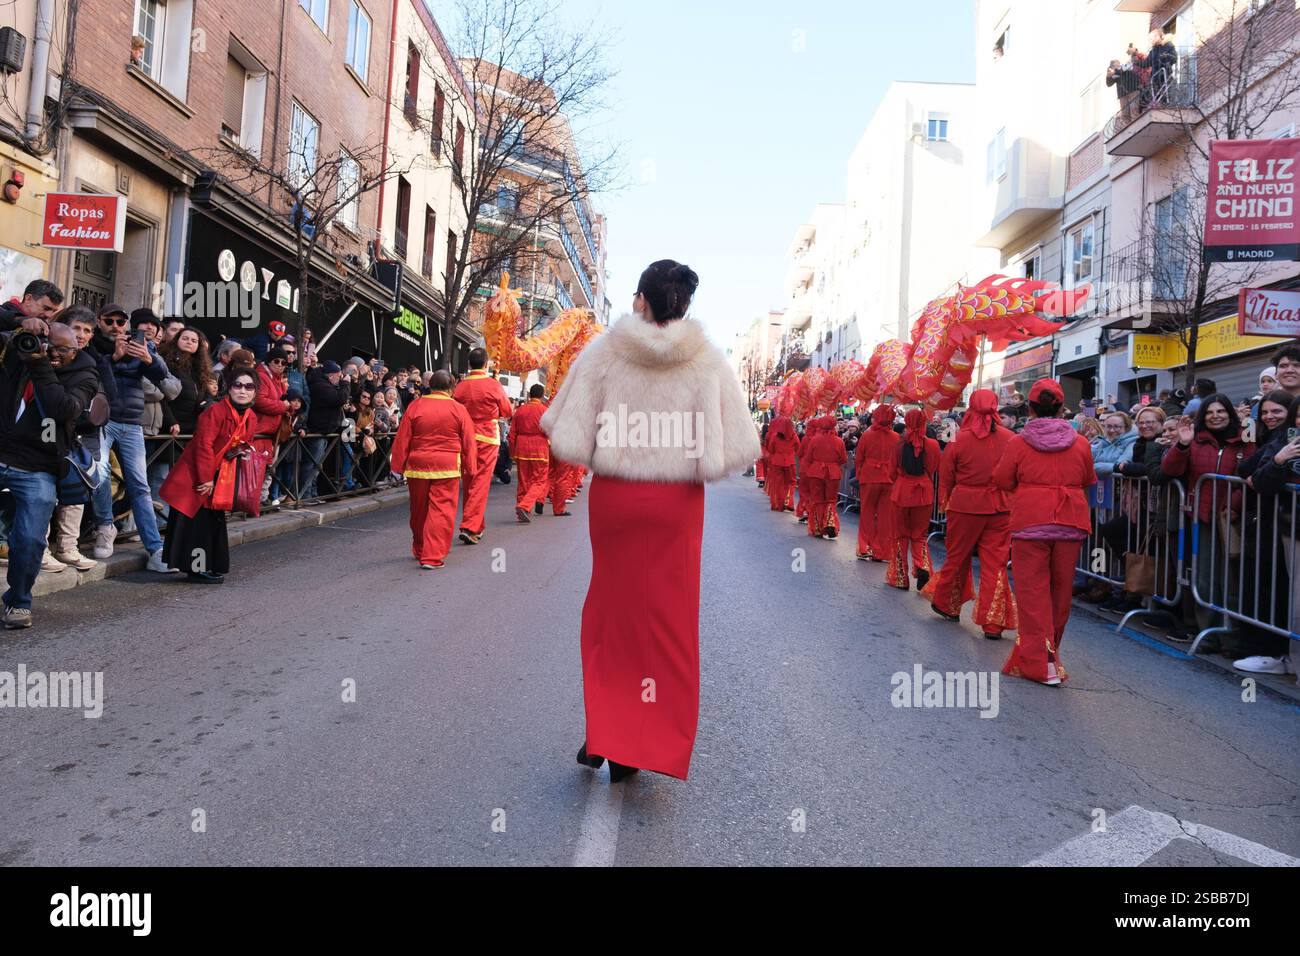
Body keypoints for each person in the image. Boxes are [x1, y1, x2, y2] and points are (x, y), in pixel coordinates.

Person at [541, 259, 759, 783]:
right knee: (668, 624)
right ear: (684, 306)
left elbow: (565, 433)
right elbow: (739, 446)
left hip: (617, 498)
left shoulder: (605, 352)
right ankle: (641, 745)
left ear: (640, 299)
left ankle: (605, 734)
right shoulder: (706, 361)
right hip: (675, 505)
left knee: (610, 617)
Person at [995, 379, 1097, 686]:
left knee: (1032, 594)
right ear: (1063, 408)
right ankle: (1050, 657)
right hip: (1070, 521)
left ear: (1030, 408)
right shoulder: (1080, 442)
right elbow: (1089, 478)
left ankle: (1041, 663)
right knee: (1060, 593)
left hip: (1031, 521)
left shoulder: (1018, 442)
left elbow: (1001, 479)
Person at [0, 321, 99, 628]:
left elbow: (63, 408)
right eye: (47, 345)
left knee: (29, 540)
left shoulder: (85, 374)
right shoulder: (19, 354)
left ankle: (17, 601)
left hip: (38, 467)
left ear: (77, 348)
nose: (53, 353)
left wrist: (41, 366)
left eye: (62, 349)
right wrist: (18, 325)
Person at [1160, 393, 1254, 653]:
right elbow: (1170, 470)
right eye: (1210, 412)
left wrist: (1233, 506)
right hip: (1201, 519)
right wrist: (1181, 444)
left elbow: (1248, 475)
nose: (1215, 416)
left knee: (1231, 582)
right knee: (1204, 580)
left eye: (1221, 411)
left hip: (1232, 519)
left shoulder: (1245, 439)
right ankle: (1208, 635)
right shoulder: (1195, 440)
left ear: (1229, 414)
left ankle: (1231, 638)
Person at [87, 305, 177, 572]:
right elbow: (94, 379)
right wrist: (113, 358)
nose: (115, 326)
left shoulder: (144, 348)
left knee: (140, 485)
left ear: (127, 325)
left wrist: (150, 359)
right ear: (99, 323)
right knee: (99, 474)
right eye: (109, 321)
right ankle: (105, 525)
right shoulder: (92, 345)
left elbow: (169, 387)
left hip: (132, 423)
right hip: (103, 420)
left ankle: (155, 550)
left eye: (120, 322)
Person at [925, 390, 1017, 639]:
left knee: (957, 556)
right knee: (995, 564)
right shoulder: (1011, 438)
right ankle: (993, 622)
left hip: (965, 504)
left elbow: (946, 475)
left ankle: (947, 604)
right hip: (1000, 506)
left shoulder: (957, 438)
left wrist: (946, 501)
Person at [158, 367, 263, 583]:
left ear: (255, 391)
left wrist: (240, 453)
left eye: (249, 386)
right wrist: (205, 478)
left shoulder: (251, 416)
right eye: (238, 385)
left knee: (212, 522)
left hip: (221, 473)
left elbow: (245, 442)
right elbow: (203, 445)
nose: (243, 390)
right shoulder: (215, 411)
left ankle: (209, 565)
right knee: (197, 524)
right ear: (229, 388)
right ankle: (196, 569)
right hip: (198, 472)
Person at [388, 371, 476, 569]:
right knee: (441, 511)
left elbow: (403, 438)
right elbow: (469, 442)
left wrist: (397, 466)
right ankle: (432, 555)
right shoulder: (458, 409)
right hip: (447, 467)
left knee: (418, 511)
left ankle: (420, 548)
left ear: (430, 386)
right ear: (451, 388)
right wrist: (470, 467)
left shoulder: (415, 405)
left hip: (417, 466)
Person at [1239, 397, 1300, 685]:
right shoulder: (1282, 444)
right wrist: (1280, 459)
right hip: (1294, 530)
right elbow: (1257, 480)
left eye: (1277, 411)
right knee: (1297, 601)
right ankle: (1296, 663)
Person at [453, 348, 514, 544]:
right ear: (486, 364)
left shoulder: (460, 386)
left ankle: (477, 526)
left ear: (469, 364)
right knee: (480, 483)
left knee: (470, 480)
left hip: (465, 437)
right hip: (487, 437)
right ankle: (470, 526)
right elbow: (507, 410)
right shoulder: (493, 385)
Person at [886, 408, 940, 592]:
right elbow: (933, 467)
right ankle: (923, 566)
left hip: (902, 492)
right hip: (923, 493)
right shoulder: (932, 445)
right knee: (919, 536)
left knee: (900, 537)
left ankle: (900, 577)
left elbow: (891, 472)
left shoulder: (898, 444)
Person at [855, 404, 899, 562]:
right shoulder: (896, 437)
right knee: (884, 516)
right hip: (888, 478)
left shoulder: (867, 435)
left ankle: (864, 547)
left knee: (866, 512)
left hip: (869, 476)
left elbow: (859, 457)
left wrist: (860, 472)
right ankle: (882, 551)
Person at [300, 360, 350, 500]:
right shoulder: (319, 385)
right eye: (338, 376)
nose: (340, 379)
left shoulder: (324, 383)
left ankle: (312, 492)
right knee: (311, 464)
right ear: (331, 375)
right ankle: (306, 495)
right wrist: (346, 383)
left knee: (317, 465)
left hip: (326, 431)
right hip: (318, 430)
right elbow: (338, 398)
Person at [509, 384, 551, 523]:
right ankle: (524, 506)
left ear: (529, 394)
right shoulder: (544, 411)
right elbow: (549, 432)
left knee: (523, 481)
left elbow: (512, 433)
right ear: (541, 395)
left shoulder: (520, 410)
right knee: (539, 480)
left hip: (521, 448)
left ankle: (522, 508)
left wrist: (512, 452)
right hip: (539, 448)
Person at [803, 415, 847, 539]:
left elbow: (808, 457)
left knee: (817, 500)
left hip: (816, 472)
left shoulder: (815, 439)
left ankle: (817, 528)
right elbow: (843, 459)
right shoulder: (839, 441)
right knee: (831, 500)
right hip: (832, 473)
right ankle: (829, 522)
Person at [764, 414, 799, 513]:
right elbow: (798, 448)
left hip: (777, 462)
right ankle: (788, 502)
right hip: (790, 462)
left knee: (777, 484)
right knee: (790, 483)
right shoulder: (794, 436)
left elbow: (771, 449)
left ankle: (777, 504)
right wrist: (791, 454)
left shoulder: (775, 436)